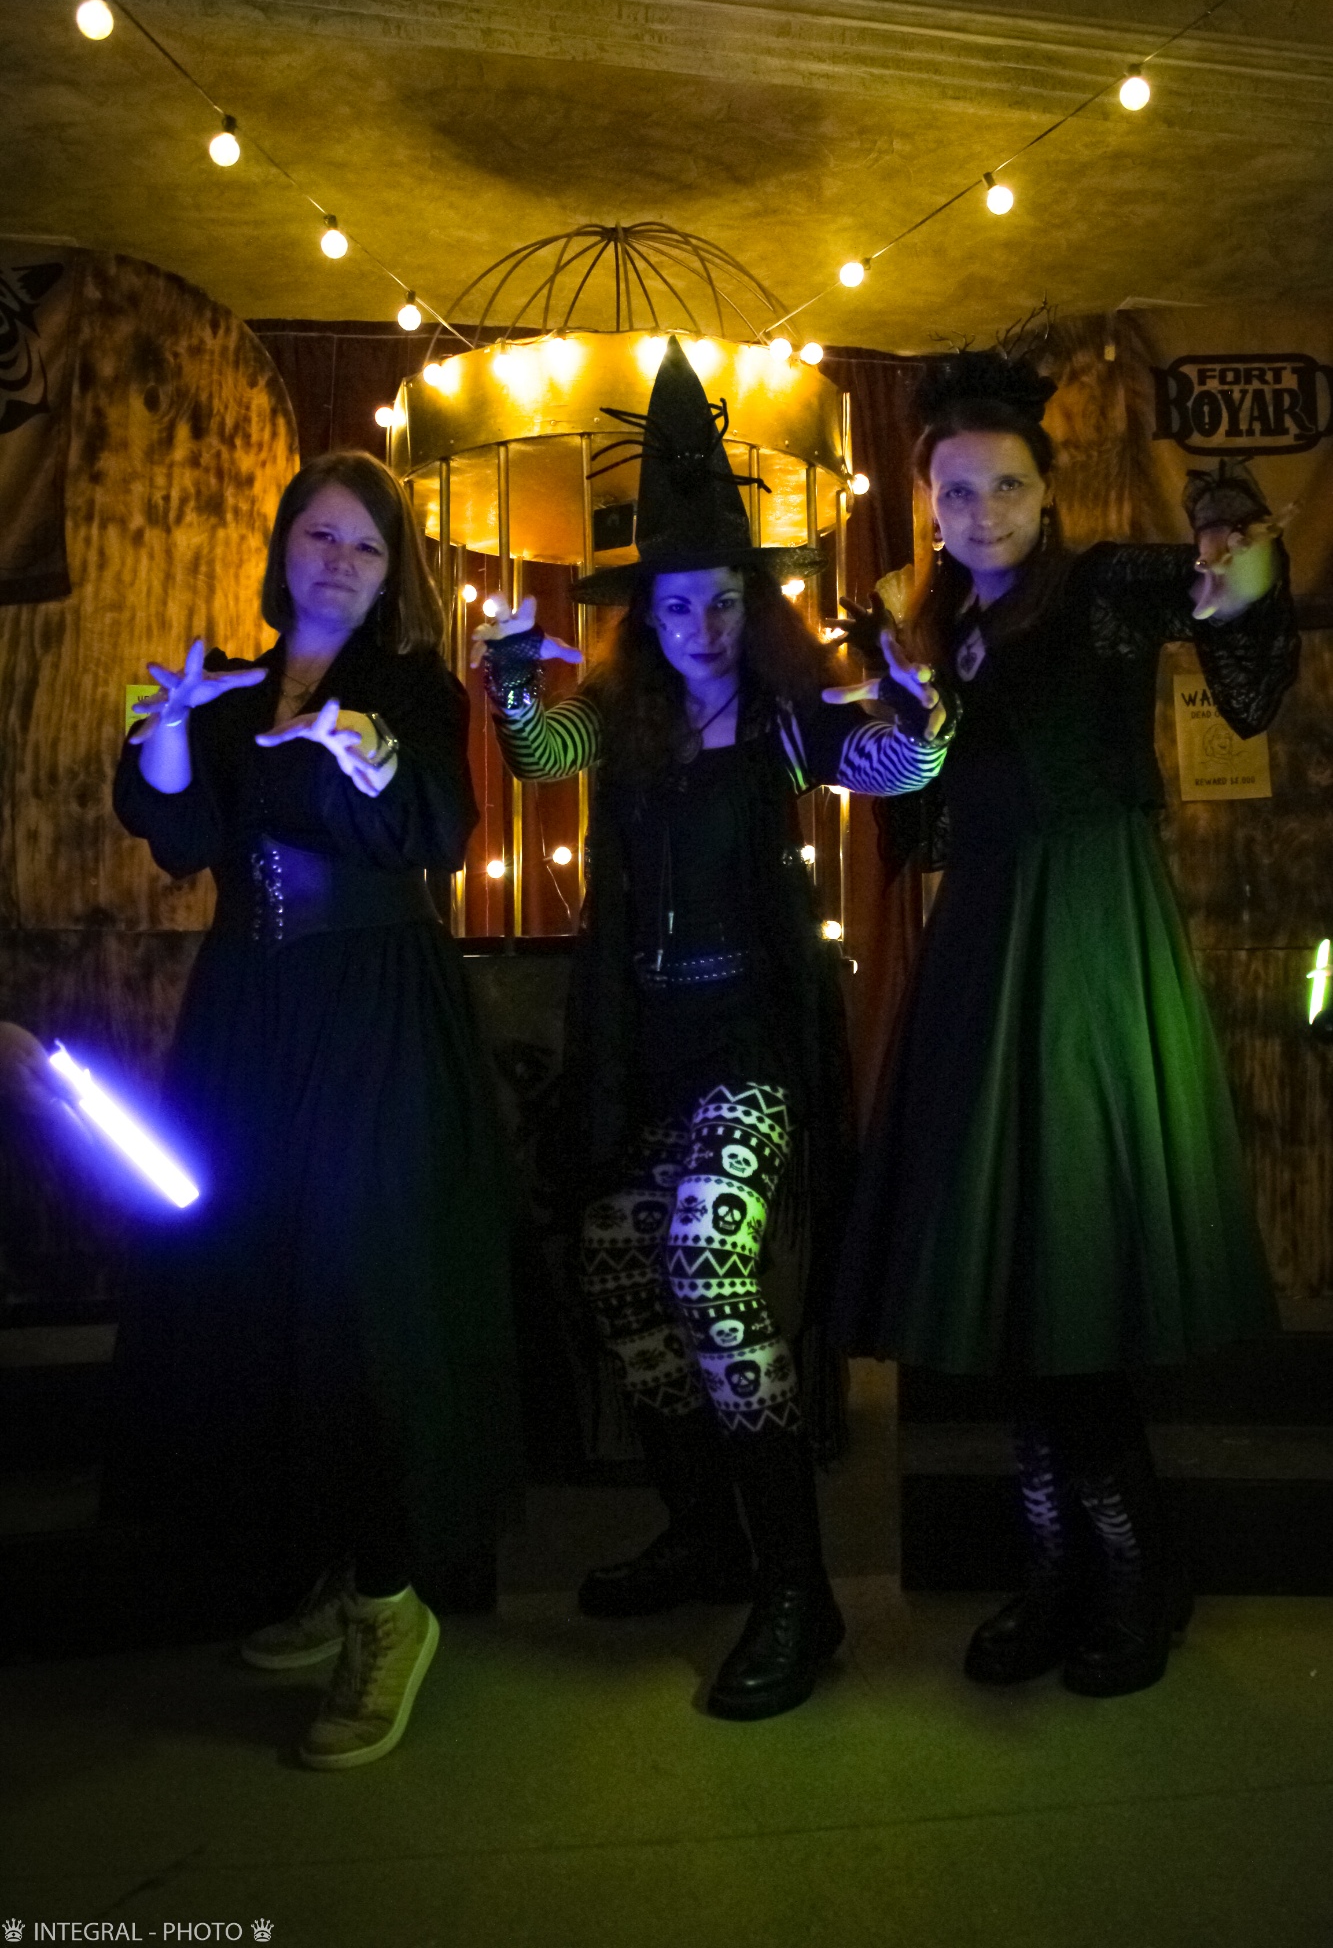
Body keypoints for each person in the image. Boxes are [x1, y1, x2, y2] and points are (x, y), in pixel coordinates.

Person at [472, 336, 950, 1720]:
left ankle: (798, 1589)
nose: (699, 627)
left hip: (747, 1050)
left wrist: (922, 715)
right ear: (648, 616)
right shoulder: (615, 725)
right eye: (677, 605)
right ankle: (702, 1535)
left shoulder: (788, 724)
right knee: (621, 1275)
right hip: (638, 1051)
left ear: (753, 607)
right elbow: (535, 754)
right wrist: (510, 681)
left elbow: (894, 761)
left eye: (723, 603)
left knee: (707, 1268)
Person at [834, 351, 1300, 1698]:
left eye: (1007, 487)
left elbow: (1239, 642)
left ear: (1046, 496)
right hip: (984, 953)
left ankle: (1137, 1577)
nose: (981, 511)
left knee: (1073, 1270)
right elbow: (917, 811)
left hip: (1089, 944)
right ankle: (1054, 1575)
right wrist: (895, 730)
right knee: (1019, 1288)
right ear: (928, 505)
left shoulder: (1102, 589)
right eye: (957, 491)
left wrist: (1231, 536)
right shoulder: (935, 632)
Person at [111, 450, 521, 1770]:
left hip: (376, 1017)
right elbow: (183, 837)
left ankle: (392, 1607)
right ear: (284, 546)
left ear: (391, 572)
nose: (338, 562)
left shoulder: (410, 689)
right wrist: (172, 729)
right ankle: (332, 1570)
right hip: (249, 1016)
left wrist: (369, 762)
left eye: (365, 545)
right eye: (320, 536)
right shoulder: (231, 689)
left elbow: (437, 832)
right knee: (261, 1285)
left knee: (367, 1298)